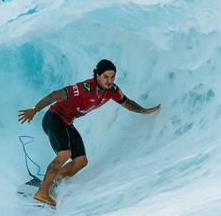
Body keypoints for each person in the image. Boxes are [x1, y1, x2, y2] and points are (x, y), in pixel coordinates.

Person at [17, 59, 161, 207]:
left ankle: (52, 181)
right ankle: (42, 192)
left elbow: (127, 102)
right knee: (64, 153)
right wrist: (34, 110)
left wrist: (143, 110)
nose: (109, 80)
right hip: (54, 118)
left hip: (67, 123)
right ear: (97, 75)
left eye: (112, 77)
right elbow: (55, 95)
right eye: (105, 76)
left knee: (81, 161)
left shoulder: (112, 91)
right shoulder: (85, 88)